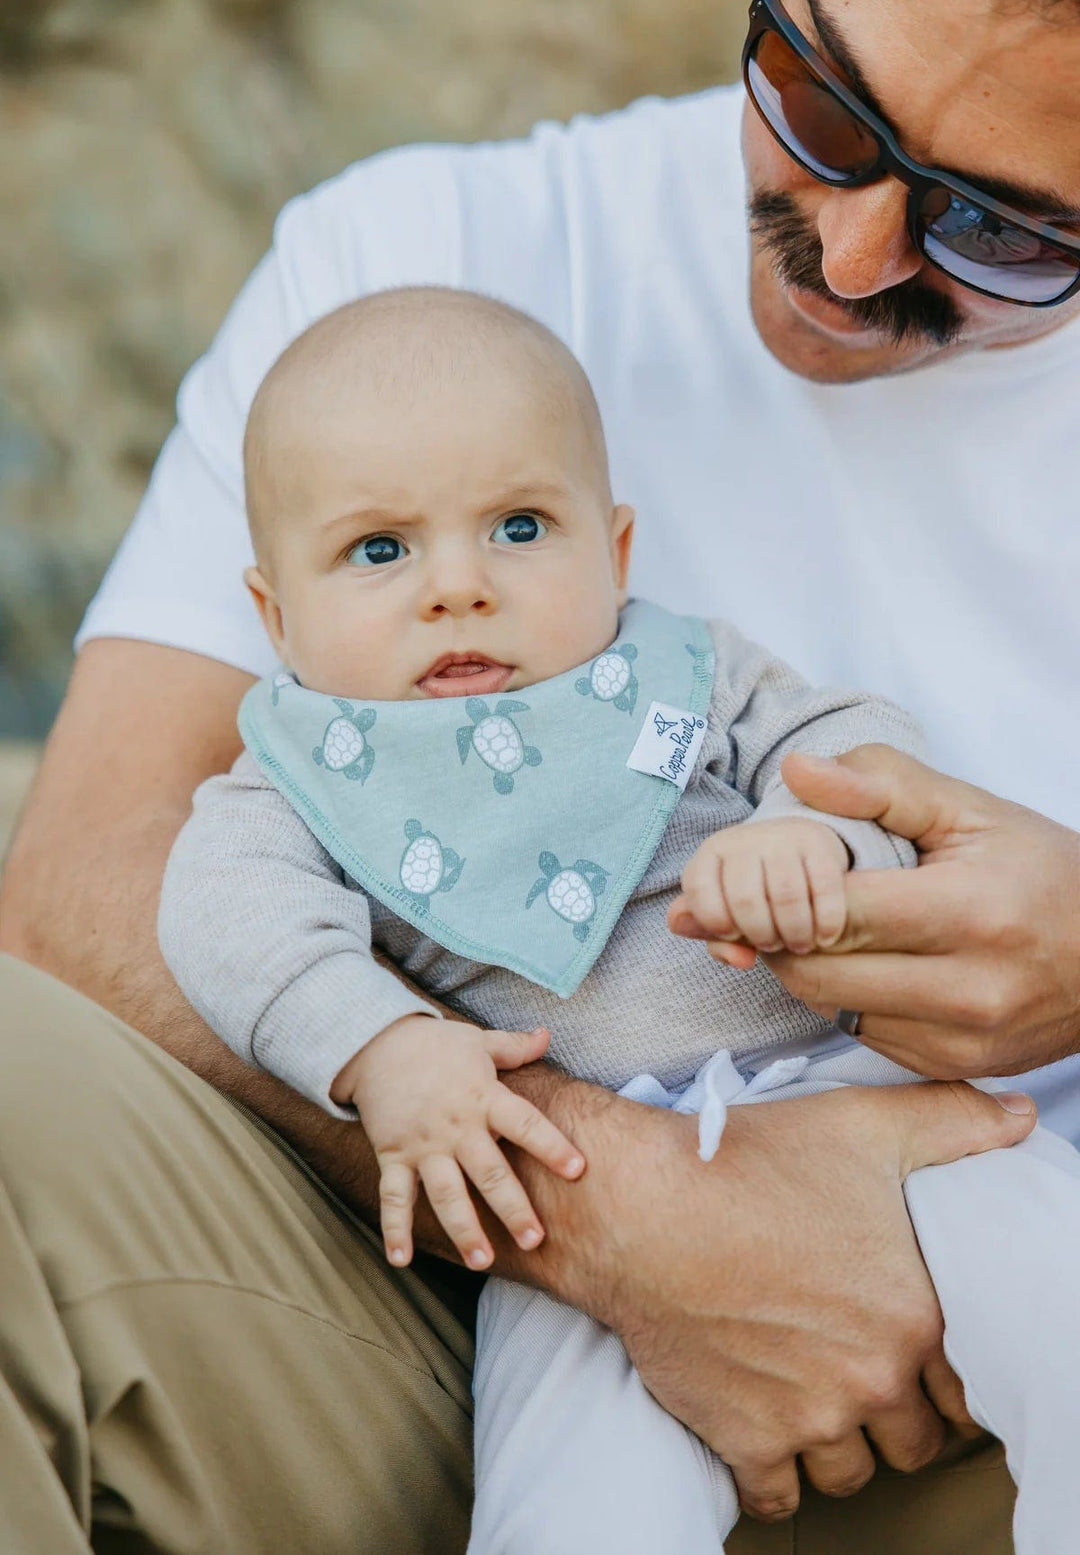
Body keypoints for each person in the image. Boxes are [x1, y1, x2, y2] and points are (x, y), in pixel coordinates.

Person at [1, 0, 1079, 1546]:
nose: (852, 253)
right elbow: (90, 885)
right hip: (473, 1287)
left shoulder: (691, 674)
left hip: (976, 1273)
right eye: (817, 99)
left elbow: (826, 757)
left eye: (997, 227)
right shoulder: (424, 263)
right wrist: (611, 1204)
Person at [156, 286, 1080, 1555]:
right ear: (274, 614)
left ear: (617, 547)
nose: (458, 588)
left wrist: (813, 837)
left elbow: (850, 742)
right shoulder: (307, 773)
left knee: (1063, 1291)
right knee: (574, 1495)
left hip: (862, 1102)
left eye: (520, 525)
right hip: (591, 1215)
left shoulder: (684, 674)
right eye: (380, 550)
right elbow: (221, 908)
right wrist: (377, 1046)